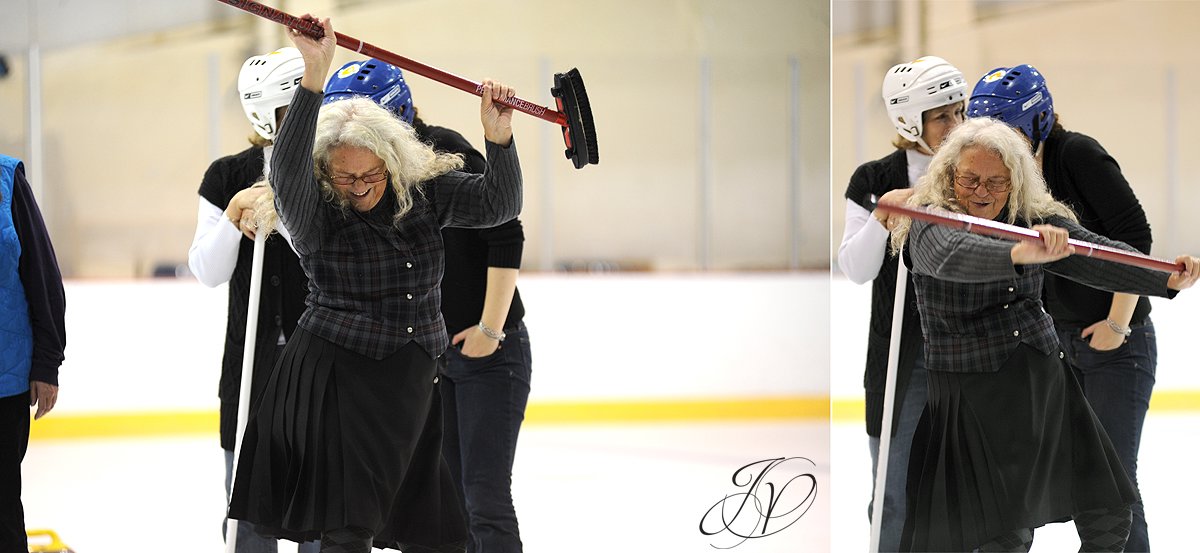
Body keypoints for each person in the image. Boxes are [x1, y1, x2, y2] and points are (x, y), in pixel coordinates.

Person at [227, 15, 523, 553]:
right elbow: (288, 171)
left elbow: (499, 206)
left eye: (370, 174)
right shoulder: (314, 211)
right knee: (348, 531)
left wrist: (499, 139)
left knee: (438, 534)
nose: (359, 187)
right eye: (345, 176)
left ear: (393, 160)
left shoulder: (427, 191)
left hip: (412, 377)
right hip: (340, 376)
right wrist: (314, 75)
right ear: (325, 173)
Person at [885, 116, 1199, 552]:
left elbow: (1096, 255)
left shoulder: (1029, 214)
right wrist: (1019, 251)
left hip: (1044, 380)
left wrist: (1165, 277)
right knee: (1006, 535)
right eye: (970, 179)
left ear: (1016, 182)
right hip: (972, 393)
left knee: (1109, 514)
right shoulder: (931, 220)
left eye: (997, 183)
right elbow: (951, 256)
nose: (982, 192)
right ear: (948, 174)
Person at [324, 59, 532, 553]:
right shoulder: (363, 178)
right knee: (446, 505)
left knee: (483, 499)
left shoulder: (443, 155)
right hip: (429, 359)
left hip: (488, 351)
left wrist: (490, 328)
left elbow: (506, 231)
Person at [968, 64, 1157, 552]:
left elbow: (1134, 241)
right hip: (1059, 347)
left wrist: (1117, 323)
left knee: (1111, 486)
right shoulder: (1012, 173)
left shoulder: (1078, 155)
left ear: (1038, 122)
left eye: (1005, 129)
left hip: (1114, 345)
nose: (995, 142)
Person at [187, 47, 318, 553]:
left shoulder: (333, 170)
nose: (308, 121)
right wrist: (235, 216)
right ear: (267, 113)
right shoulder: (226, 176)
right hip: (250, 368)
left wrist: (280, 217)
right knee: (248, 518)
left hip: (321, 369)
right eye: (295, 111)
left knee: (320, 515)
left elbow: (333, 254)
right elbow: (207, 270)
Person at [837, 55, 965, 552]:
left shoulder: (974, 173)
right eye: (942, 116)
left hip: (967, 351)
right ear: (910, 120)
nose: (956, 125)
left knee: (964, 493)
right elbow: (856, 268)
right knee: (892, 495)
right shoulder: (872, 178)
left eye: (960, 111)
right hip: (900, 357)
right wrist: (885, 214)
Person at [0, 154, 66, 552]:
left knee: (4, 508)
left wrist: (47, 362)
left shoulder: (7, 179)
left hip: (4, 381)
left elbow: (42, 274)